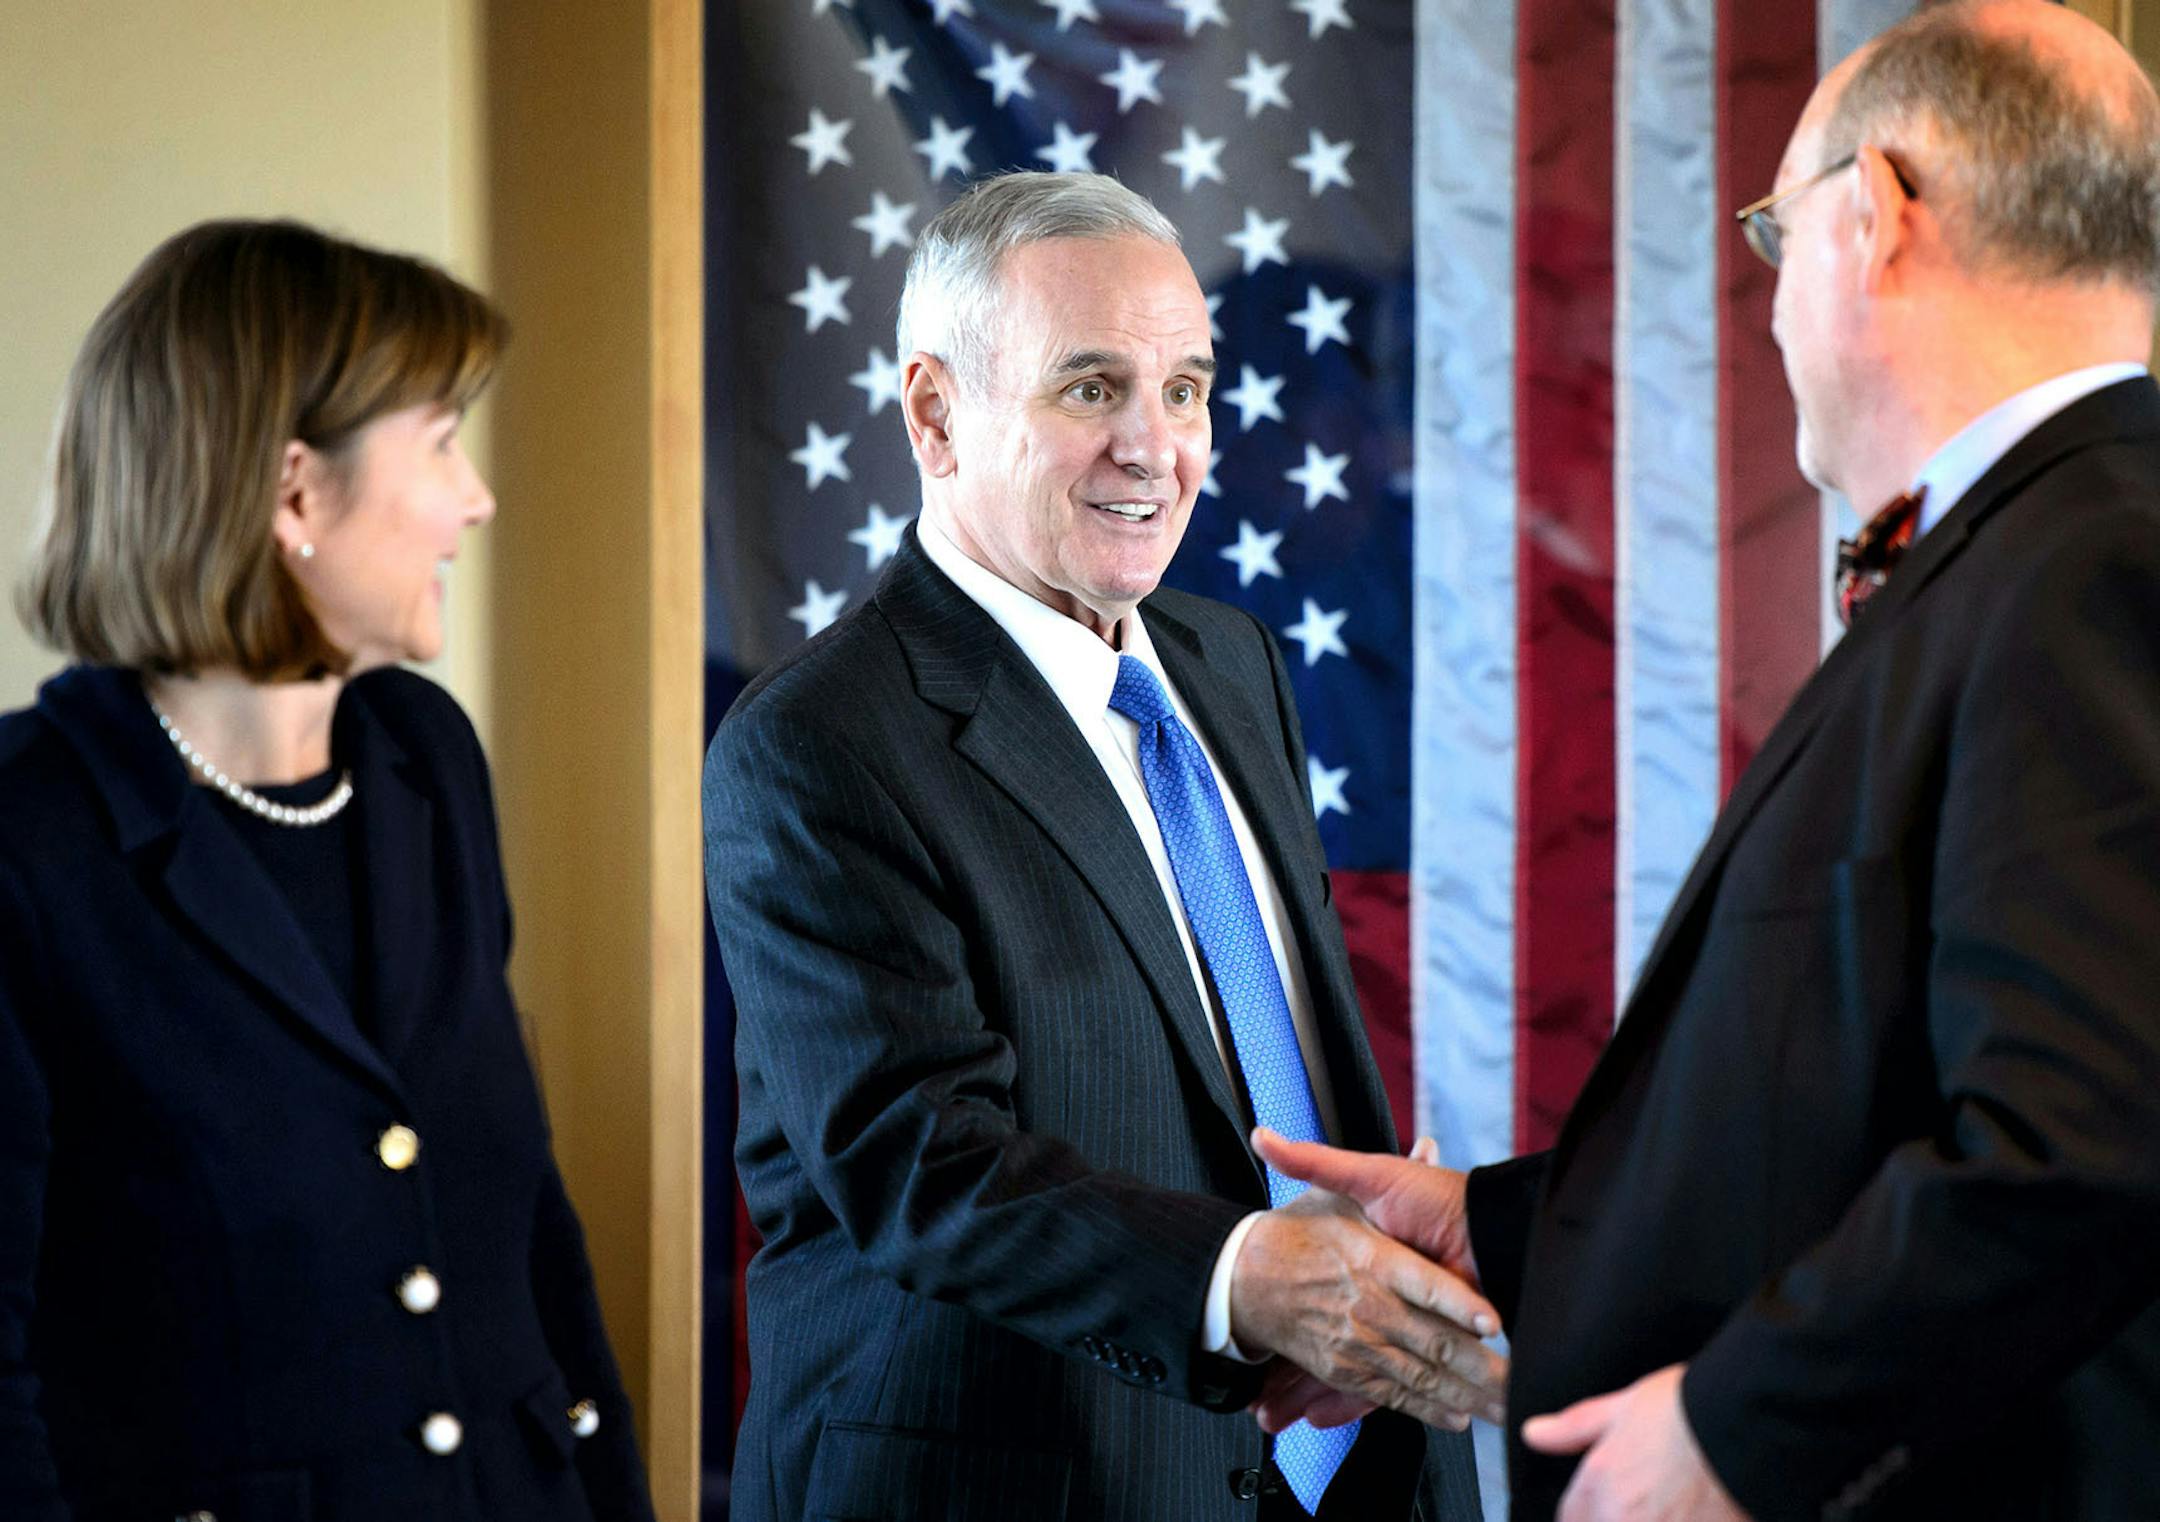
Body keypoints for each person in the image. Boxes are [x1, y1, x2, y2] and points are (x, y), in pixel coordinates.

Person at [1247, 3, 2160, 1518]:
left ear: (1875, 217)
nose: (1771, 306)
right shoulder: (2030, 551)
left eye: (1775, 233)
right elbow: (1864, 1090)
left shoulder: (2095, 562)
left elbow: (2090, 1136)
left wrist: (1745, 1430)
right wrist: (1513, 1233)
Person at [703, 171, 1498, 1522]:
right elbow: (922, 1162)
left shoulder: (1230, 664)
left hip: (1350, 1456)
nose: (1155, 448)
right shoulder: (817, 742)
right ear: (934, 415)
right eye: (1091, 388)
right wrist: (1242, 1283)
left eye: (1184, 389)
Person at [0, 220, 655, 1520]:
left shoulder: (424, 755)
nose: (478, 498)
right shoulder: (30, 831)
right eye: (442, 443)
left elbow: (528, 1223)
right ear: (296, 493)